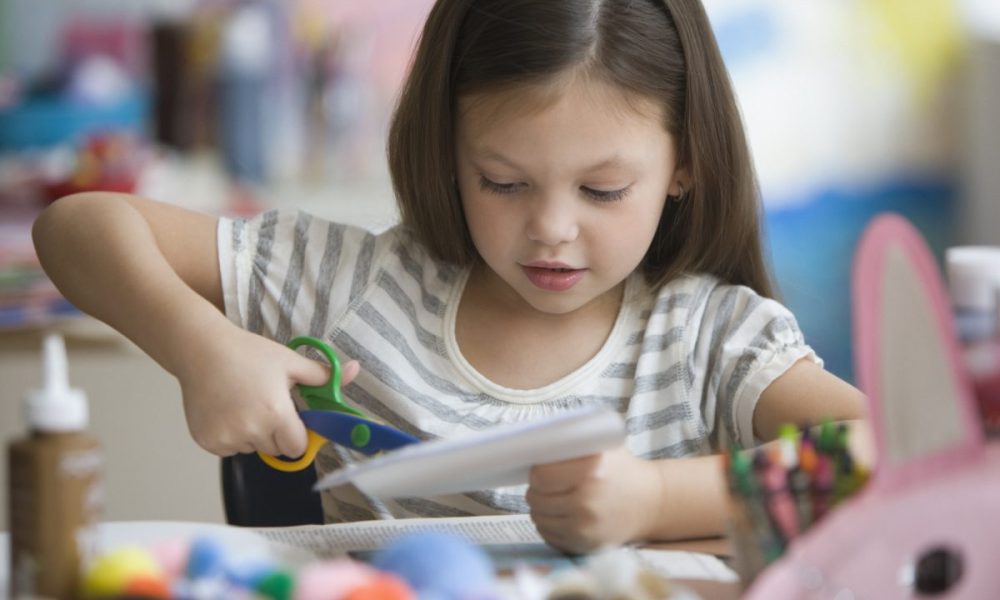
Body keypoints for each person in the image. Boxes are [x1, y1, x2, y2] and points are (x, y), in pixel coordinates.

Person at [33, 0, 866, 553]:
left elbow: (887, 448)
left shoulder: (706, 340)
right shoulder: (358, 285)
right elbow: (76, 227)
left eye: (603, 189)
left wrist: (652, 502)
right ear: (450, 153)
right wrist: (203, 347)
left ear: (684, 164)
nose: (551, 229)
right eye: (502, 181)